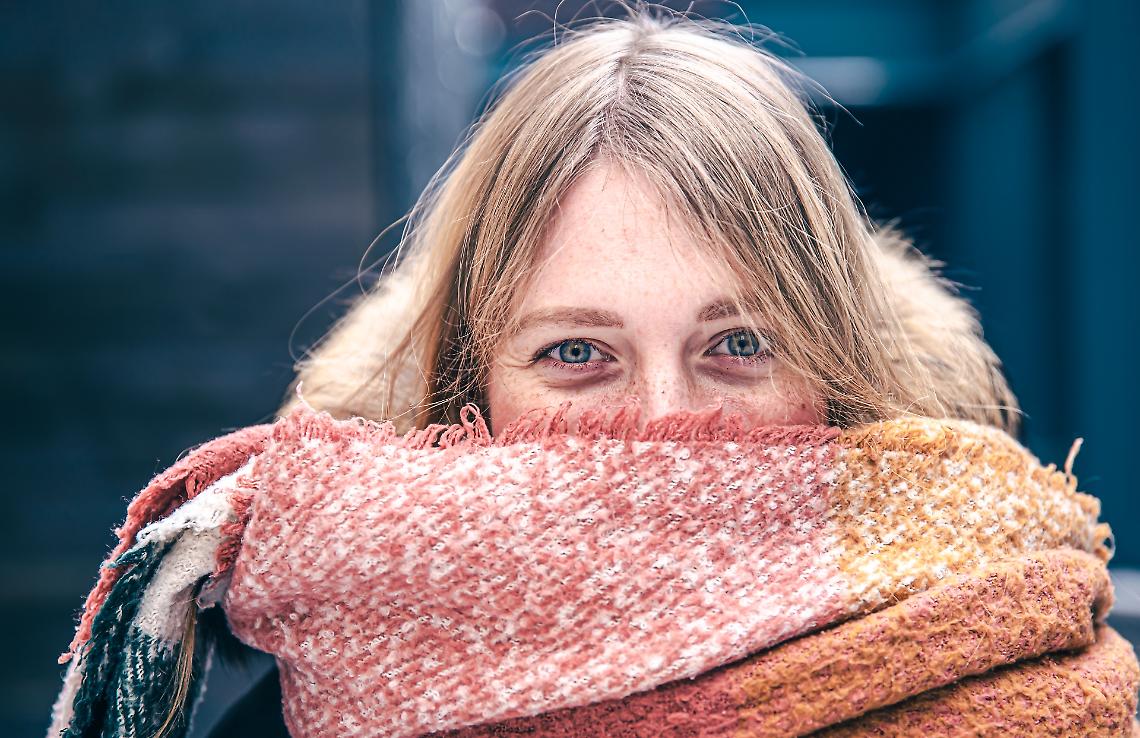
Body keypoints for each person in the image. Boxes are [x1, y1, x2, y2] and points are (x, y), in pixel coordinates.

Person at [62, 8, 1135, 738]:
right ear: (465, 392)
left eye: (740, 344)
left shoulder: (1031, 670)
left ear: (839, 364)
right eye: (577, 354)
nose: (663, 422)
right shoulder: (318, 715)